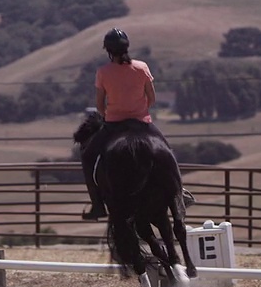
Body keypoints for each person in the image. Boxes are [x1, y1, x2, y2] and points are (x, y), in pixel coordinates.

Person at [81, 28, 194, 221]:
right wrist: (139, 111)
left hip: (114, 125)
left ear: (108, 50)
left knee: (88, 157)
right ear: (127, 47)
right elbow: (152, 98)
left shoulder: (103, 72)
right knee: (167, 152)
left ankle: (97, 205)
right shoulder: (142, 67)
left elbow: (100, 104)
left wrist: (109, 114)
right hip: (142, 123)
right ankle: (179, 193)